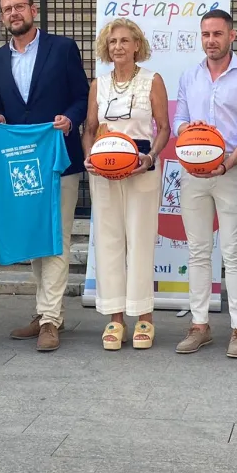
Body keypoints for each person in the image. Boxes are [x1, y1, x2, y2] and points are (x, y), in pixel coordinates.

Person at [0, 0, 90, 352]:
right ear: (3, 17)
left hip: (59, 158)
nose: (14, 13)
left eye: (19, 6)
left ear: (33, 10)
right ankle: (45, 310)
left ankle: (49, 319)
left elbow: (82, 96)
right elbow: (0, 107)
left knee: (56, 236)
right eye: (7, 9)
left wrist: (70, 119)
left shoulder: (62, 48)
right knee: (33, 235)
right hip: (21, 163)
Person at [173, 9, 237, 359]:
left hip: (231, 171)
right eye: (205, 34)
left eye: (217, 34)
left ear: (232, 35)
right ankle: (199, 326)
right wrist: (189, 132)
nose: (210, 40)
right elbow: (179, 119)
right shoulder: (189, 76)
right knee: (198, 252)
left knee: (233, 253)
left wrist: (226, 163)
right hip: (193, 173)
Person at [82, 18, 170, 351]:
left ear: (136, 46)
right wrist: (89, 158)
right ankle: (115, 318)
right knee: (109, 243)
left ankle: (144, 317)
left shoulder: (152, 80)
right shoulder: (99, 84)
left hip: (140, 169)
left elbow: (164, 127)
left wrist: (150, 158)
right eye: (112, 41)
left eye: (124, 41)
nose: (118, 46)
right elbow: (90, 129)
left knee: (140, 241)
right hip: (104, 172)